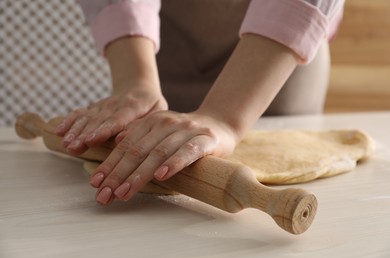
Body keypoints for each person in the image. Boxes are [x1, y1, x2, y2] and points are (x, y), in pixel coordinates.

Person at [55, 0, 345, 205]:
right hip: (159, 45)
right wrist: (137, 82)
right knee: (149, 147)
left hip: (279, 52)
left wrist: (225, 117)